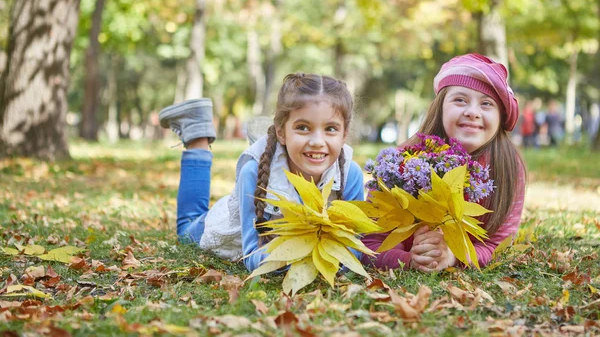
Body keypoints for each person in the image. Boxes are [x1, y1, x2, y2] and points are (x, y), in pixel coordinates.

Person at [159, 73, 365, 272]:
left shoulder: (350, 174)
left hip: (262, 204)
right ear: (281, 132)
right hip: (232, 228)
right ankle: (197, 134)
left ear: (344, 134)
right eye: (303, 127)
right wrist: (304, 253)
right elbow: (251, 256)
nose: (317, 142)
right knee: (185, 230)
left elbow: (355, 247)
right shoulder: (253, 173)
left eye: (330, 129)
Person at [361, 53, 526, 272]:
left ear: (500, 116)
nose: (472, 112)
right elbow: (370, 244)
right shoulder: (402, 162)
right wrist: (408, 259)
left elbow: (499, 245)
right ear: (440, 107)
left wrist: (454, 256)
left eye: (486, 104)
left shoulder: (507, 167)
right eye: (460, 100)